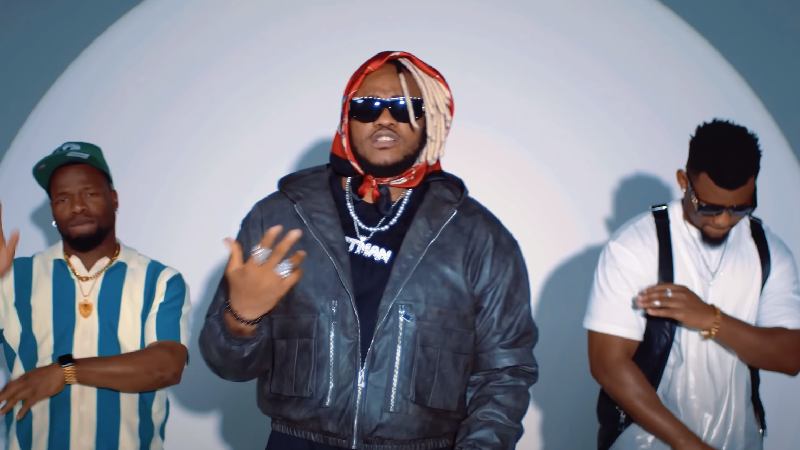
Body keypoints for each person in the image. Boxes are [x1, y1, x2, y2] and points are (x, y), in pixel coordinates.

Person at [199, 51, 538, 450]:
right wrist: (242, 319)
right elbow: (227, 365)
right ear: (347, 117)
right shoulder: (281, 216)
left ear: (432, 119)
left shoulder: (479, 236)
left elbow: (505, 374)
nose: (385, 118)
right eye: (367, 106)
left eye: (406, 107)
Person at [584, 119, 800, 450]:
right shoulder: (635, 246)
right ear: (684, 182)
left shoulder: (768, 251)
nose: (724, 220)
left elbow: (791, 357)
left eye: (740, 208)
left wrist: (710, 319)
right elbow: (608, 365)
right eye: (710, 207)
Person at [0, 142, 191, 450]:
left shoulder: (159, 280)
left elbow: (166, 366)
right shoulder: (13, 278)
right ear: (52, 210)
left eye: (89, 193)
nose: (77, 206)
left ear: (114, 199)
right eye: (63, 198)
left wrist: (66, 372)